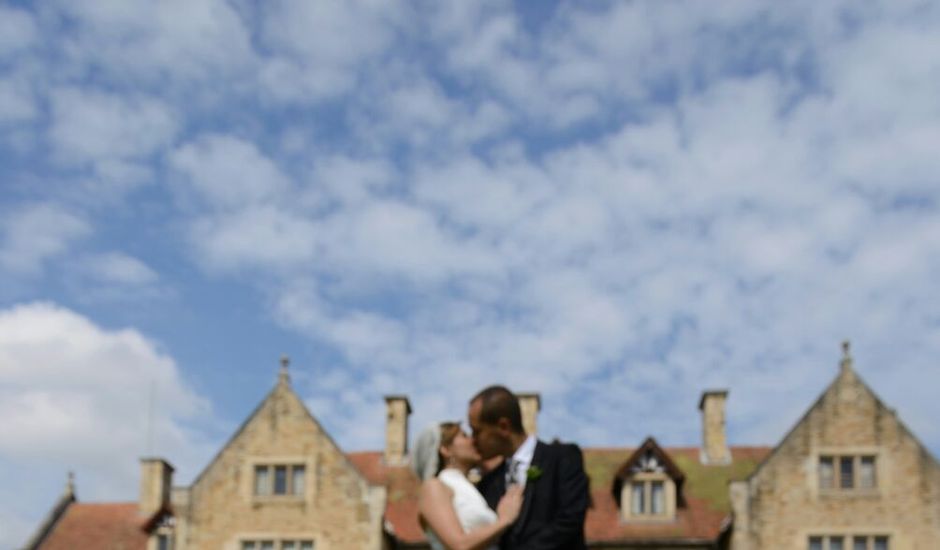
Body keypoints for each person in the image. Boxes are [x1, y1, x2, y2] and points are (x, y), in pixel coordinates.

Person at [468, 386, 589, 550]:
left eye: (477, 431)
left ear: (503, 427)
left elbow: (570, 520)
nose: (473, 440)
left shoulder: (563, 458)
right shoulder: (488, 483)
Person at [413, 421, 525, 550]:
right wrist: (504, 520)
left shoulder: (471, 488)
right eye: (464, 436)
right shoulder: (434, 486)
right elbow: (459, 545)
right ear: (446, 449)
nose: (473, 440)